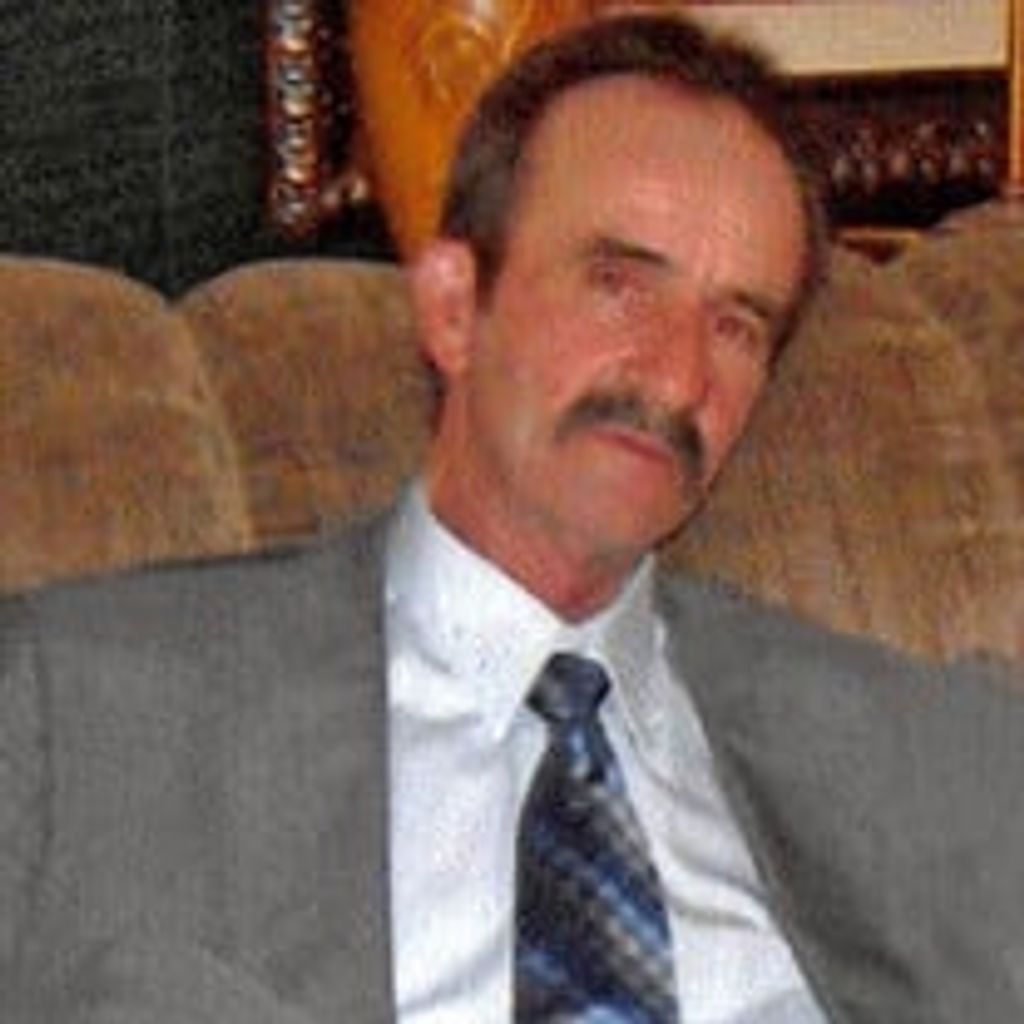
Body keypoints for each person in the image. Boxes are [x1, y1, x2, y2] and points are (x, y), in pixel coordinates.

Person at [2, 12, 1022, 1024]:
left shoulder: (941, 754)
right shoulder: (82, 712)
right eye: (618, 284)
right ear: (454, 305)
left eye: (736, 326)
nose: (678, 376)